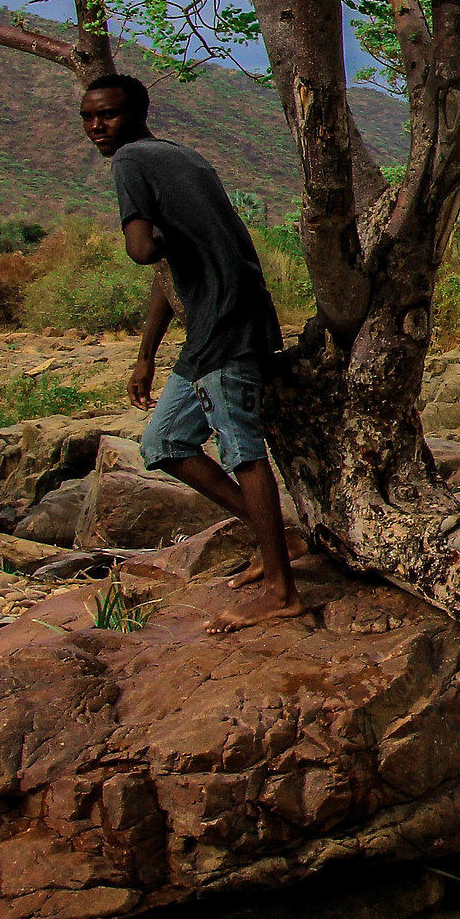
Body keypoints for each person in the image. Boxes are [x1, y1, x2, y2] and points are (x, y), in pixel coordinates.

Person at [78, 73, 310, 632]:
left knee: (242, 450)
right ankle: (281, 538)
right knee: (163, 443)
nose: (96, 127)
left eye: (107, 115)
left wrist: (151, 235)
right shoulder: (180, 157)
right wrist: (145, 355)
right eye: (88, 117)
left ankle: (283, 591)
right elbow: (168, 273)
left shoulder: (131, 160)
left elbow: (141, 253)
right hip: (219, 320)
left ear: (134, 113)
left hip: (226, 323)